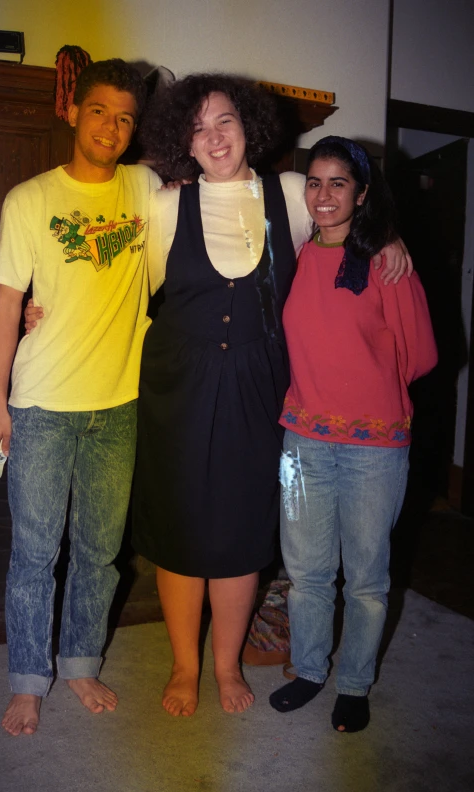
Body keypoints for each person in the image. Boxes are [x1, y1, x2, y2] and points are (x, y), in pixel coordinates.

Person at [129, 75, 412, 718]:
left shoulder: (288, 193)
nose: (213, 136)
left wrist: (389, 238)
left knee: (238, 532)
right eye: (198, 127)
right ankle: (183, 665)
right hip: (180, 386)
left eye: (224, 120)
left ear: (247, 126)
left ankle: (226, 667)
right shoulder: (167, 204)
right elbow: (128, 290)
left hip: (261, 388)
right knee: (180, 533)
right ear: (184, 140)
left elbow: (350, 218)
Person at [0, 58, 161, 737]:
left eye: (124, 117)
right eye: (99, 112)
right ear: (73, 112)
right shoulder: (30, 199)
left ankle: (81, 663)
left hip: (118, 405)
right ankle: (29, 680)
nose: (111, 127)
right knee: (34, 551)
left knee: (99, 552)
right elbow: (5, 308)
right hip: (40, 403)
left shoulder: (146, 188)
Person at [269, 136, 437, 732]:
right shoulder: (291, 255)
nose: (323, 195)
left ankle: (355, 684)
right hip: (302, 440)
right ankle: (311, 669)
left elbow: (419, 356)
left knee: (366, 577)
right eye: (314, 182)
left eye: (338, 183)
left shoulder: (388, 263)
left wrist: (362, 390)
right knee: (308, 570)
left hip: (376, 448)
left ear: (362, 193)